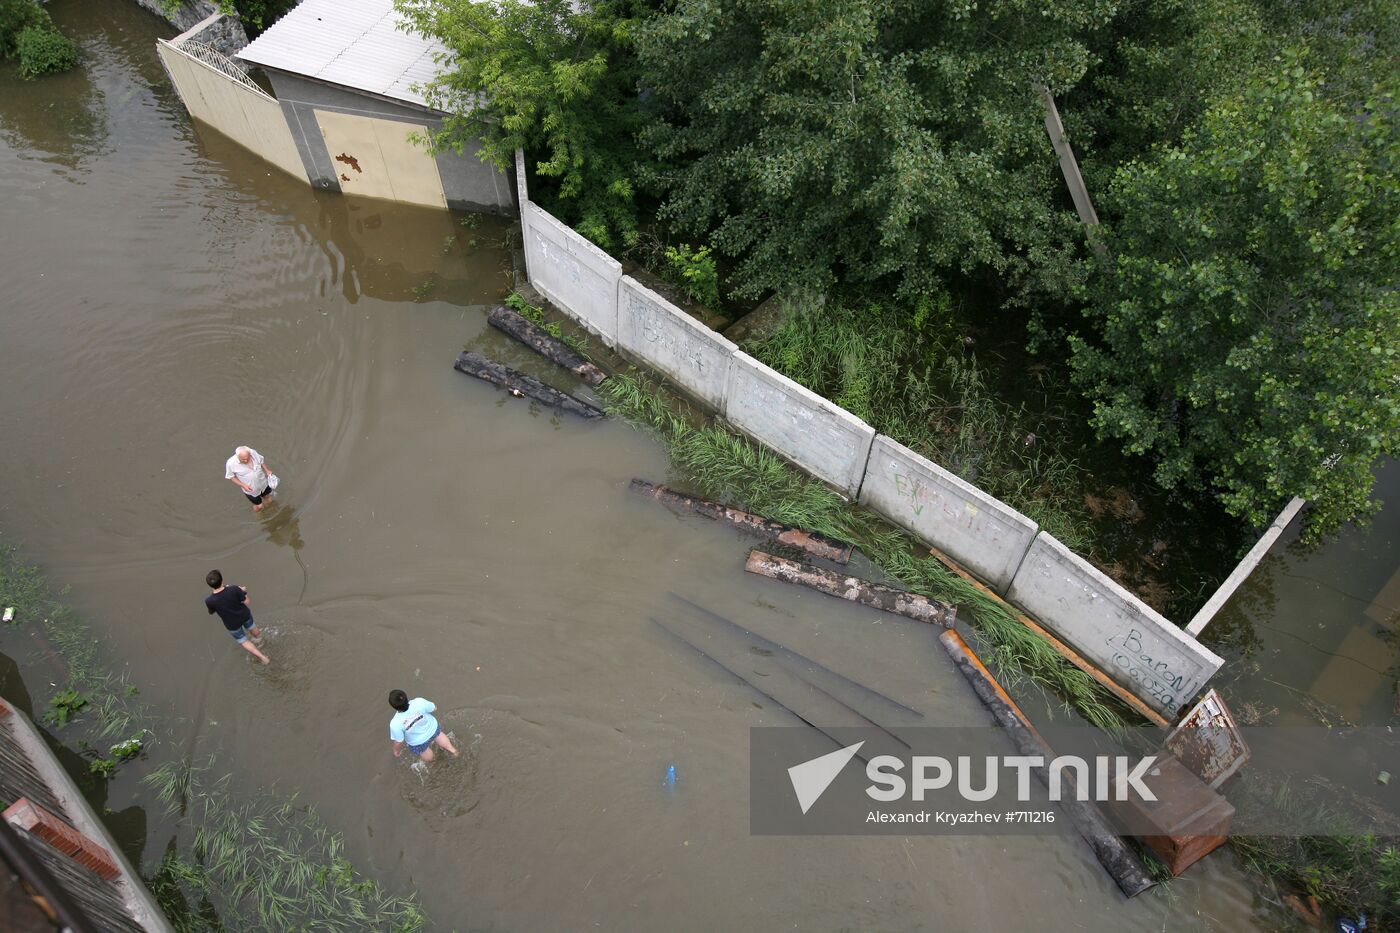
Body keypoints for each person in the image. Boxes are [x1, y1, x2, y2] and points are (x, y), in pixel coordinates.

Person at [204, 570, 270, 664]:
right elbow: (247, 602)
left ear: (210, 585)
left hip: (232, 624)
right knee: (253, 628)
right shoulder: (234, 589)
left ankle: (262, 656)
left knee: (243, 640)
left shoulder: (209, 601)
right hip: (244, 615)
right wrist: (243, 592)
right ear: (222, 580)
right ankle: (261, 640)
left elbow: (211, 612)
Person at [387, 690, 459, 763]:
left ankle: (435, 761)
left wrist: (396, 750)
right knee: (439, 736)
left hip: (418, 742)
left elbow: (399, 741)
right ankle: (453, 750)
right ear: (406, 697)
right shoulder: (419, 702)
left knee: (424, 751)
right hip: (432, 728)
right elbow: (434, 708)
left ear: (394, 707)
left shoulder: (395, 723)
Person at [225, 446, 278, 512]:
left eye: (247, 458)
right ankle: (259, 517)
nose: (246, 461)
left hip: (263, 483)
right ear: (237, 457)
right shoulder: (231, 463)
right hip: (251, 489)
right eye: (243, 459)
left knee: (269, 500)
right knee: (259, 506)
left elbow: (261, 461)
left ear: (250, 454)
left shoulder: (253, 452)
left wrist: (267, 470)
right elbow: (231, 477)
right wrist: (243, 485)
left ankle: (272, 511)